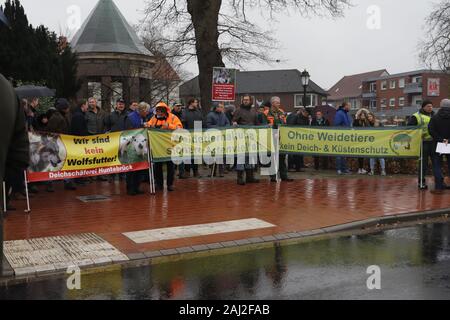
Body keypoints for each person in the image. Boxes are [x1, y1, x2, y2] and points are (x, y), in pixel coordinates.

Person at [146, 102, 182, 191]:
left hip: (170, 145)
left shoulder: (173, 117)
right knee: (157, 166)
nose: (160, 113)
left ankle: (170, 184)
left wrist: (169, 126)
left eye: (161, 111)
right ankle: (159, 184)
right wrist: (147, 125)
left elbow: (180, 128)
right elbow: (149, 124)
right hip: (157, 146)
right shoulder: (154, 118)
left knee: (170, 166)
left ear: (166, 111)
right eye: (158, 111)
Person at [47, 98, 77, 191]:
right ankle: (49, 183)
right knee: (53, 164)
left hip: (63, 143)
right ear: (63, 108)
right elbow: (50, 132)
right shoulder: (56, 117)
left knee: (64, 162)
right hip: (56, 143)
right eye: (67, 107)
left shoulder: (63, 116)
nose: (68, 109)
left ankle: (67, 181)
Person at [123, 102, 151, 196]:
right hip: (131, 146)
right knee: (132, 168)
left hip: (140, 145)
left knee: (139, 167)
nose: (148, 113)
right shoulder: (130, 117)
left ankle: (136, 187)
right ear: (142, 110)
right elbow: (129, 131)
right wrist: (142, 127)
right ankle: (130, 188)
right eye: (146, 111)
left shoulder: (142, 117)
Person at [233, 94, 260, 185]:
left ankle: (250, 177)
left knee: (250, 157)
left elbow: (257, 124)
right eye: (244, 100)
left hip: (251, 137)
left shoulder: (253, 111)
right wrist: (235, 123)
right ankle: (240, 178)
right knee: (241, 157)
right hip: (241, 137)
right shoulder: (238, 110)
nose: (245, 101)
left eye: (247, 100)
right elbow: (234, 121)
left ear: (250, 101)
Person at [408, 100, 435, 190]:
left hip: (434, 142)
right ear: (423, 107)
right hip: (423, 143)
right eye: (428, 106)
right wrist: (418, 134)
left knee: (436, 162)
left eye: (431, 106)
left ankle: (439, 181)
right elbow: (410, 128)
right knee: (423, 163)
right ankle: (421, 182)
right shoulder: (416, 116)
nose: (430, 108)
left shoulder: (435, 115)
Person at [267, 97, 293, 183]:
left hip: (281, 138)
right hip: (271, 138)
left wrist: (282, 122)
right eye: (277, 103)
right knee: (273, 157)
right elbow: (265, 124)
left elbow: (284, 123)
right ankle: (273, 177)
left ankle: (284, 176)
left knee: (282, 157)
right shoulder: (266, 112)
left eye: (279, 102)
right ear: (272, 103)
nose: (279, 104)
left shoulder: (282, 112)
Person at [428, 99, 450, 194]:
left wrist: (441, 139)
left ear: (440, 106)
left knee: (437, 165)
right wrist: (448, 140)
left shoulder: (435, 117)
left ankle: (439, 187)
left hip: (437, 144)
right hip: (449, 143)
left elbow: (431, 130)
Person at [206, 102, 231, 177]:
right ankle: (212, 171)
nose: (222, 108)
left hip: (221, 137)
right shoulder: (210, 115)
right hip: (213, 137)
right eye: (220, 107)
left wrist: (224, 128)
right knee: (213, 155)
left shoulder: (223, 115)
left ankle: (220, 171)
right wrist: (218, 128)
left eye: (222, 107)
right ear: (216, 107)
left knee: (220, 155)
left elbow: (228, 123)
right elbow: (208, 125)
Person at [181, 98, 204, 178]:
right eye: (195, 102)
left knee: (196, 154)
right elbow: (183, 123)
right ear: (191, 103)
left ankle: (195, 171)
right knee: (187, 154)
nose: (197, 104)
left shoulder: (198, 111)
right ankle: (187, 171)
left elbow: (202, 122)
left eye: (197, 102)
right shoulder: (185, 112)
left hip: (197, 135)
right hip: (187, 135)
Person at [287, 107, 309, 172]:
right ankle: (291, 167)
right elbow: (291, 126)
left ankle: (298, 167)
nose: (307, 115)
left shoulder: (305, 118)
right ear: (302, 112)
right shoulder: (294, 116)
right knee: (292, 153)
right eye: (306, 113)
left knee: (298, 153)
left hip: (300, 137)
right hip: (293, 137)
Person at [333, 102, 352, 175]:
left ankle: (344, 169)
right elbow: (336, 123)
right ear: (345, 106)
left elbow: (349, 124)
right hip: (340, 136)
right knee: (339, 154)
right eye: (349, 106)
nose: (350, 107)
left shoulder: (346, 113)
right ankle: (339, 169)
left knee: (344, 153)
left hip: (345, 136)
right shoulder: (340, 113)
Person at [353, 108, 371, 175]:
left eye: (364, 115)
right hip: (359, 141)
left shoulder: (367, 122)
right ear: (360, 116)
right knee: (360, 156)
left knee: (365, 156)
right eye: (361, 115)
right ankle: (360, 169)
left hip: (366, 141)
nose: (363, 116)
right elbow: (354, 127)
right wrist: (356, 115)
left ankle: (364, 169)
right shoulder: (357, 121)